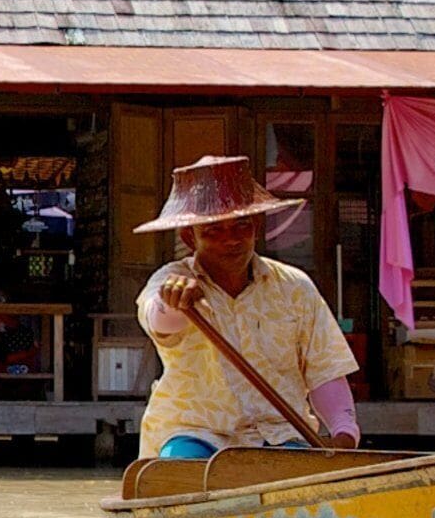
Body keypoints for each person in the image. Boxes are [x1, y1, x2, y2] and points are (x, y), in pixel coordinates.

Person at [132, 155, 360, 460]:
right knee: (179, 470)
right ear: (190, 237)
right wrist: (173, 303)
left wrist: (344, 433)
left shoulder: (294, 287)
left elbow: (325, 368)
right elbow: (158, 319)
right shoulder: (171, 280)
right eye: (214, 230)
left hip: (281, 433)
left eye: (242, 226)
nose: (231, 240)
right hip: (196, 432)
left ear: (255, 227)